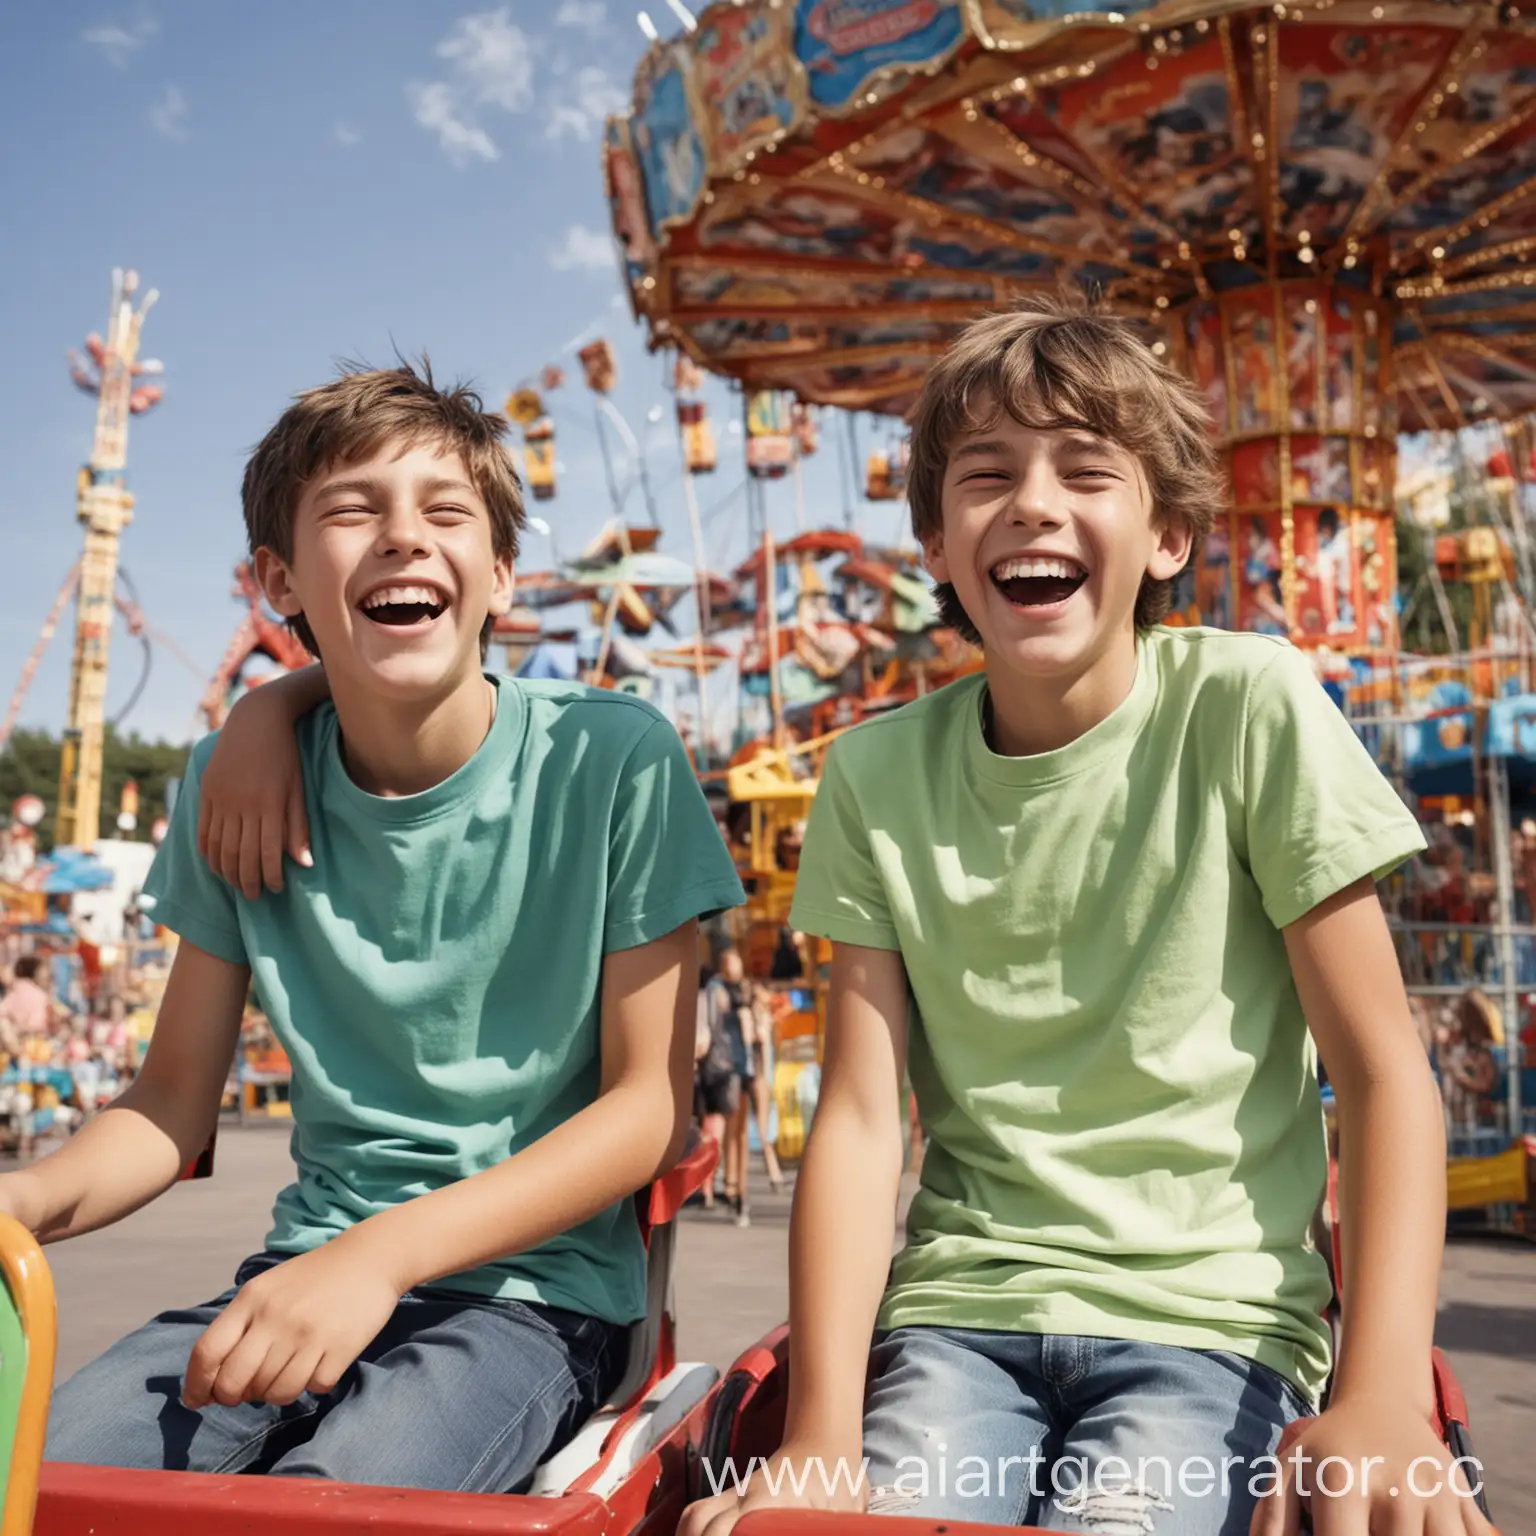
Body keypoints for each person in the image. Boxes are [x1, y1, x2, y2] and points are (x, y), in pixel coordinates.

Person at [681, 305, 1487, 1536]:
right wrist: (819, 1436)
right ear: (940, 544)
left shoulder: (1247, 704)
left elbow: (1383, 1072)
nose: (1033, 504)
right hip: (961, 1319)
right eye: (987, 476)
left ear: (1167, 534)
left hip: (1211, 1324)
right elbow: (856, 1118)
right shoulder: (874, 774)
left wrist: (1382, 1393)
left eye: (1085, 470)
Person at [6, 361, 744, 1492]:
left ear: (502, 572)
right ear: (277, 580)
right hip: (300, 1272)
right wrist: (28, 1199)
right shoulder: (228, 784)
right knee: (43, 1471)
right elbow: (165, 1105)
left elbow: (647, 1106)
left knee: (331, 1505)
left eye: (445, 512)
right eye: (353, 511)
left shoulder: (613, 759)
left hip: (527, 1298)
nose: (403, 536)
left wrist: (382, 1255)